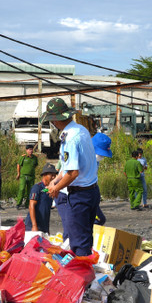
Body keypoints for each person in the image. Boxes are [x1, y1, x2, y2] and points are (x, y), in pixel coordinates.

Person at [43, 98, 99, 257]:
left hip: (79, 195)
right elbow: (68, 166)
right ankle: (88, 270)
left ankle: (83, 278)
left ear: (54, 120)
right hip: (91, 191)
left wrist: (56, 188)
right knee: (85, 237)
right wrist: (57, 179)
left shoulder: (69, 138)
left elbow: (73, 172)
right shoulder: (81, 129)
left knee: (78, 241)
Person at [25, 163, 57, 233]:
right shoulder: (37, 187)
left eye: (55, 175)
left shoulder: (50, 189)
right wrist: (34, 225)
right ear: (44, 175)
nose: (53, 177)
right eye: (51, 175)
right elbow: (31, 206)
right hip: (33, 226)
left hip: (44, 226)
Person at [92, 132, 112, 225]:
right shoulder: (82, 158)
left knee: (101, 219)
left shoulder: (96, 161)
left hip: (93, 190)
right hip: (81, 194)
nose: (102, 157)